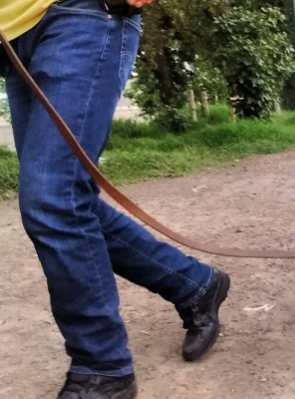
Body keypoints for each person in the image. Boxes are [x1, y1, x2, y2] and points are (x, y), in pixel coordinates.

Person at [1, 1, 230, 398]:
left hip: (81, 14)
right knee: (65, 202)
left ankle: (103, 369)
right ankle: (194, 285)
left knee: (54, 201)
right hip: (12, 37)